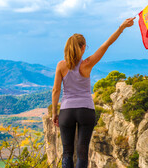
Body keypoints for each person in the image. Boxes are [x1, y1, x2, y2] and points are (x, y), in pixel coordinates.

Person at [51, 17, 135, 168]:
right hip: (86, 110)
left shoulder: (61, 66)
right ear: (83, 48)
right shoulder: (87, 64)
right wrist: (121, 27)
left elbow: (56, 90)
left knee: (67, 153)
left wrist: (54, 113)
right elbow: (107, 44)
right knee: (82, 153)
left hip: (67, 111)